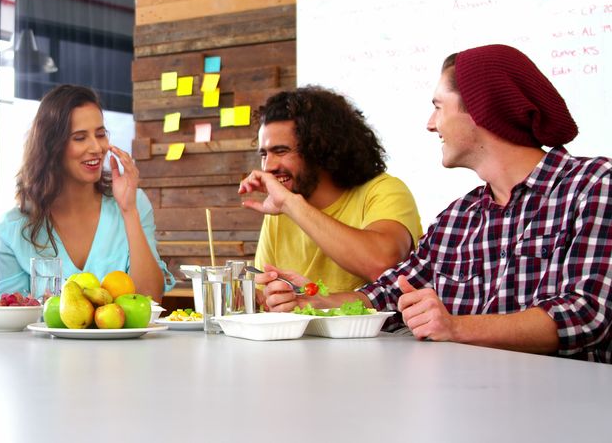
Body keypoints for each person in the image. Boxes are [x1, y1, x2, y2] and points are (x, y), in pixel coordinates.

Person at [258, 44, 612, 362]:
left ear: (479, 109)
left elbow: (587, 313)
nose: (431, 124)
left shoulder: (593, 185)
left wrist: (456, 327)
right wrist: (312, 303)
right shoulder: (460, 217)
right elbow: (385, 294)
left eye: (438, 107)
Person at [0, 85, 175, 301]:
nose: (97, 147)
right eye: (80, 138)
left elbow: (150, 298)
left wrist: (129, 210)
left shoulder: (133, 203)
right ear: (52, 146)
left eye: (100, 134)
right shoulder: (13, 229)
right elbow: (12, 316)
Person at [238, 87, 423, 295]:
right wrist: (265, 298)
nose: (268, 166)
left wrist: (290, 204)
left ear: (320, 148)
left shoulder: (384, 191)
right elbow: (263, 295)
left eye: (281, 151)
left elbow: (382, 265)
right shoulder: (282, 209)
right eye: (264, 154)